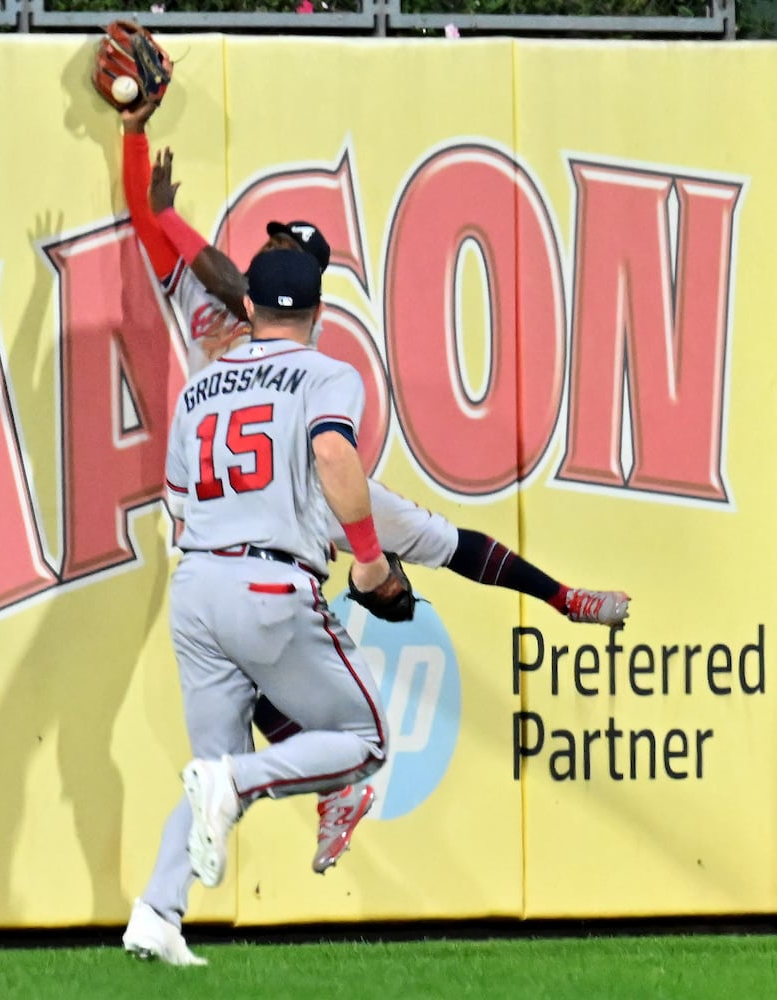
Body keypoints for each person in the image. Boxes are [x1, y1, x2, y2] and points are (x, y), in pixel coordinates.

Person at [117, 101, 631, 875]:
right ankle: (323, 787)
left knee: (433, 542)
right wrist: (134, 144)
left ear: (296, 294)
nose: (275, 252)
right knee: (255, 644)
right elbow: (168, 239)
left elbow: (219, 274)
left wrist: (167, 210)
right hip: (221, 508)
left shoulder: (270, 320)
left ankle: (562, 598)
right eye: (278, 246)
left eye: (290, 252)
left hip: (294, 484)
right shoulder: (213, 296)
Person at [123, 248, 394, 966]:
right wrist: (365, 555)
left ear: (246, 309)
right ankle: (236, 781)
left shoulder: (199, 389)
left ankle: (156, 912)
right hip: (268, 582)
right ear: (318, 313)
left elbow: (177, 504)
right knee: (365, 736)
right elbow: (333, 457)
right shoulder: (326, 372)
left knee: (207, 761)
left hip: (197, 584)